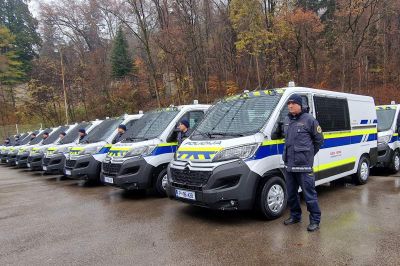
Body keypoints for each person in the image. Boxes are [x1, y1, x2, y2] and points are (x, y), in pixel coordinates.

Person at [282, 94, 324, 232]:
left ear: (300, 104)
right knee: (291, 193)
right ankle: (295, 216)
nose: (290, 105)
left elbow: (319, 140)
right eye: (289, 103)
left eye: (293, 103)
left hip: (304, 166)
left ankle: (315, 221)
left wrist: (308, 155)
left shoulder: (310, 120)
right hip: (289, 165)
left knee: (309, 194)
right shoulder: (287, 120)